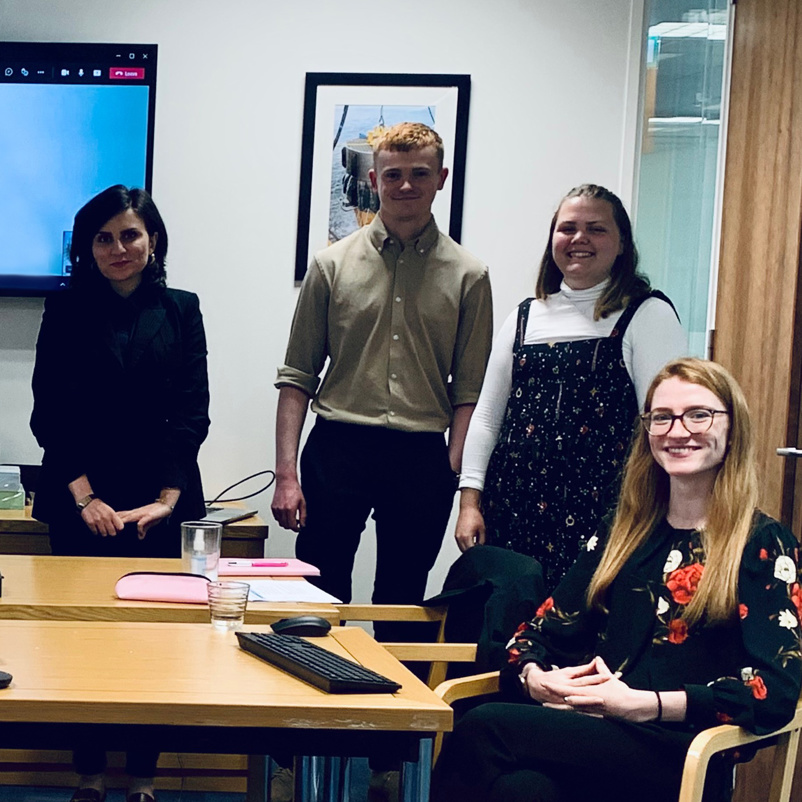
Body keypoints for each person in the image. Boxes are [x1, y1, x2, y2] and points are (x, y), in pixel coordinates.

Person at [433, 357, 802, 802]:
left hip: (685, 757)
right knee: (521, 789)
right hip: (595, 744)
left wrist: (648, 705)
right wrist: (536, 678)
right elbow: (534, 634)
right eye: (661, 417)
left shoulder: (763, 544)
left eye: (698, 414)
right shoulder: (623, 532)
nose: (677, 430)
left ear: (731, 429)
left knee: (483, 726)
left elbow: (776, 690)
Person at [272, 122, 493, 629]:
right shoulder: (330, 266)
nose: (406, 185)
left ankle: (392, 705)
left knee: (402, 597)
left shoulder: (469, 275)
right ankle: (314, 701)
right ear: (374, 179)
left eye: (419, 173)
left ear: (442, 177)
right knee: (320, 594)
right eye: (393, 175)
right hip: (338, 448)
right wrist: (287, 475)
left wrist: (452, 469)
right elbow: (297, 376)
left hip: (420, 458)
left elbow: (470, 391)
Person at [30, 185, 210, 802]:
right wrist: (84, 498)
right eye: (102, 238)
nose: (117, 248)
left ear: (152, 240)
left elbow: (192, 412)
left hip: (160, 504)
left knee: (153, 644)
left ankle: (143, 779)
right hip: (79, 501)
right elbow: (48, 414)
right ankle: (88, 776)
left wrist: (167, 498)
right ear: (87, 247)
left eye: (129, 235)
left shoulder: (183, 310)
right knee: (80, 642)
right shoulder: (64, 310)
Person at [455, 183, 687, 589]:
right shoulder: (523, 318)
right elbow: (488, 418)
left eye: (596, 229)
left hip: (607, 515)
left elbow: (666, 424)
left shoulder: (647, 316)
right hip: (513, 512)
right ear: (552, 242)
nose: (579, 239)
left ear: (621, 244)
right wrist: (469, 503)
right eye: (568, 228)